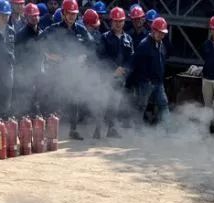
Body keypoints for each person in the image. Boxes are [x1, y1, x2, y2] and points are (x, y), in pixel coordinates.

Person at [40, 0, 92, 139]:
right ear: (63, 13)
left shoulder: (81, 30)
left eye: (74, 14)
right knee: (53, 100)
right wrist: (49, 55)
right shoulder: (54, 29)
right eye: (69, 13)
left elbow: (92, 46)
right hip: (57, 71)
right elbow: (39, 42)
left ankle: (73, 130)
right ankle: (49, 130)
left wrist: (85, 56)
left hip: (74, 72)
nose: (71, 16)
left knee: (74, 101)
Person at [96, 6, 132, 138]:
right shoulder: (105, 37)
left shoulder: (128, 38)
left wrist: (124, 69)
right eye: (115, 21)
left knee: (114, 104)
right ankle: (97, 129)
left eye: (120, 21)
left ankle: (111, 129)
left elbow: (131, 58)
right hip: (106, 76)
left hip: (120, 77)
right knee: (102, 103)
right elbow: (101, 56)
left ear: (124, 22)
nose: (118, 23)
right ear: (111, 21)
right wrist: (113, 69)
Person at [129, 16, 169, 126]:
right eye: (159, 32)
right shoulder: (144, 45)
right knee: (141, 106)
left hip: (158, 82)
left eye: (163, 33)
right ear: (153, 30)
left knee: (163, 104)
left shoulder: (161, 44)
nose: (161, 35)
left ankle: (168, 128)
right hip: (146, 83)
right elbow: (135, 64)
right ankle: (136, 128)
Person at [14, 2, 43, 115]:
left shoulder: (41, 33)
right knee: (26, 102)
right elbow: (17, 56)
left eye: (36, 16)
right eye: (31, 16)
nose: (34, 18)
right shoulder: (20, 35)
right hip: (26, 73)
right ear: (26, 18)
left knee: (38, 100)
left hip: (39, 72)